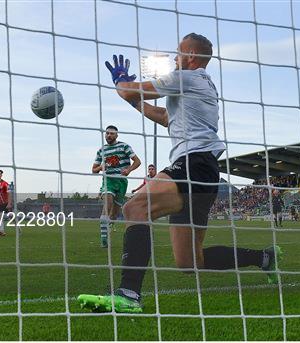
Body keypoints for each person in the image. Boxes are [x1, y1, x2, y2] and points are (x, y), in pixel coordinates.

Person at [78, 33, 282, 313]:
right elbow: (163, 117)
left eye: (178, 53)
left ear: (191, 56)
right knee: (190, 262)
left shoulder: (186, 77)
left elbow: (130, 90)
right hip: (205, 172)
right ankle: (263, 258)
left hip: (192, 164)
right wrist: (133, 99)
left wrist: (121, 80)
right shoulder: (200, 85)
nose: (174, 58)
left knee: (136, 208)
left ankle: (128, 295)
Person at [92, 125, 141, 247]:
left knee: (114, 214)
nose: (109, 135)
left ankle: (107, 226)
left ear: (116, 135)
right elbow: (94, 170)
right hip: (108, 181)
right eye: (107, 133)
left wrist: (128, 170)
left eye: (111, 134)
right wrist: (101, 167)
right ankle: (104, 239)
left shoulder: (124, 146)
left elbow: (137, 161)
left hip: (122, 183)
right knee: (107, 205)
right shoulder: (101, 150)